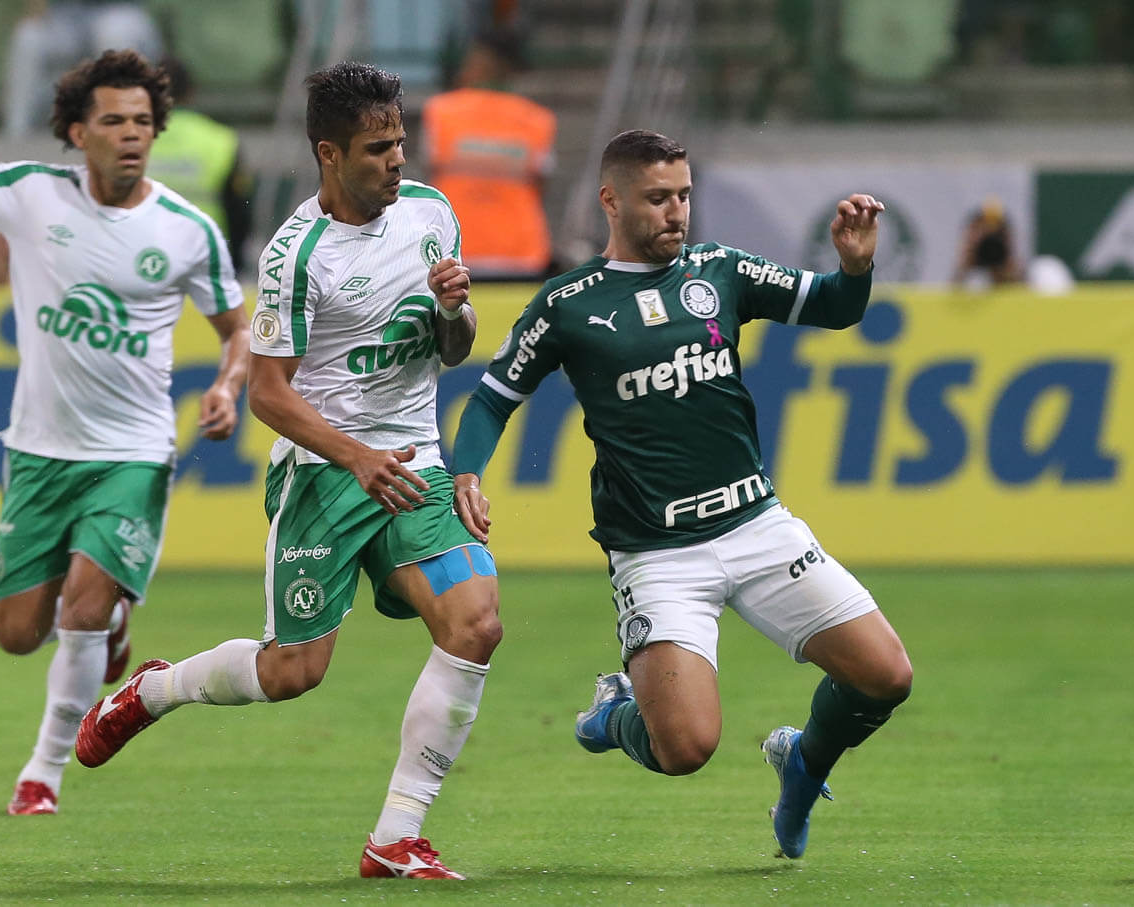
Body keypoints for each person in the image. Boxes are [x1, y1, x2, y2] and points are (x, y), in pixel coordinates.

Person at [75, 61, 500, 882]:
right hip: (324, 473)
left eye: (402, 143)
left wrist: (456, 310)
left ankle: (396, 835)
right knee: (292, 671)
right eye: (378, 149)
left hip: (412, 460)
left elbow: (455, 350)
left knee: (476, 623)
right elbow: (269, 394)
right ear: (328, 153)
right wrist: (357, 457)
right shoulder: (295, 254)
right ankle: (154, 689)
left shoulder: (432, 214)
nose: (398, 162)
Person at [450, 129, 914, 860]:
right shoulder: (568, 304)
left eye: (685, 196)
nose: (677, 212)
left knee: (886, 676)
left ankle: (802, 764)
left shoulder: (720, 270)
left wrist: (855, 270)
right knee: (686, 748)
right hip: (656, 555)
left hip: (756, 526)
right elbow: (490, 399)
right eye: (659, 198)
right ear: (612, 200)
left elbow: (832, 305)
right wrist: (465, 473)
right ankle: (615, 711)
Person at [0, 17, 248, 816]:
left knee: (81, 611)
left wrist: (228, 386)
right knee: (20, 632)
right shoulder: (30, 194)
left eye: (143, 123)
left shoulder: (187, 231)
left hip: (132, 453)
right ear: (78, 131)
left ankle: (44, 771)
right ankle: (111, 622)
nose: (132, 136)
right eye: (115, 122)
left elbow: (239, 333)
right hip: (40, 452)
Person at [421, 29, 555, 279]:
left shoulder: (440, 112)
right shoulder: (537, 120)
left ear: (482, 62)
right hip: (521, 254)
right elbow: (542, 183)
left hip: (454, 251)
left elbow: (428, 172)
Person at [147, 57, 252, 269]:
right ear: (191, 92)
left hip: (145, 260)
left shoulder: (132, 137)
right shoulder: (221, 140)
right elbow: (239, 212)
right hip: (205, 259)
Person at [3, 0, 163, 138]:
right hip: (66, 14)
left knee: (113, 35)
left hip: (120, 9)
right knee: (29, 37)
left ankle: (120, 133)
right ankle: (16, 138)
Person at [954, 196, 1021, 289]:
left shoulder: (1004, 230)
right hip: (977, 256)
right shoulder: (975, 227)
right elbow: (965, 256)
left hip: (1000, 261)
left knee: (1012, 274)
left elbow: (1010, 253)